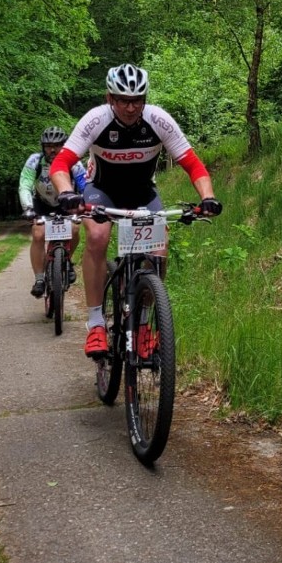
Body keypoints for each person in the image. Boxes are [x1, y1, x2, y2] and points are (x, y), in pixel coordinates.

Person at [49, 63, 222, 358]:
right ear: (110, 99)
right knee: (98, 236)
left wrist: (208, 197)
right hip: (102, 191)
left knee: (159, 250)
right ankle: (96, 325)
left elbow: (192, 164)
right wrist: (66, 192)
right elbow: (60, 163)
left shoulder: (157, 120)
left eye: (137, 100)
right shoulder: (96, 120)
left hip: (143, 193)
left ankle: (142, 324)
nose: (131, 108)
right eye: (124, 100)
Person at [18, 126, 87, 298]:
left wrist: (85, 204)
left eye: (57, 145)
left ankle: (68, 260)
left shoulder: (74, 162)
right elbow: (25, 184)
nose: (52, 149)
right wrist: (28, 208)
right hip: (42, 203)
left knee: (75, 229)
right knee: (38, 233)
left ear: (64, 146)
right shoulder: (35, 161)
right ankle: (40, 278)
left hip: (66, 204)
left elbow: (85, 185)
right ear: (43, 147)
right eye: (48, 146)